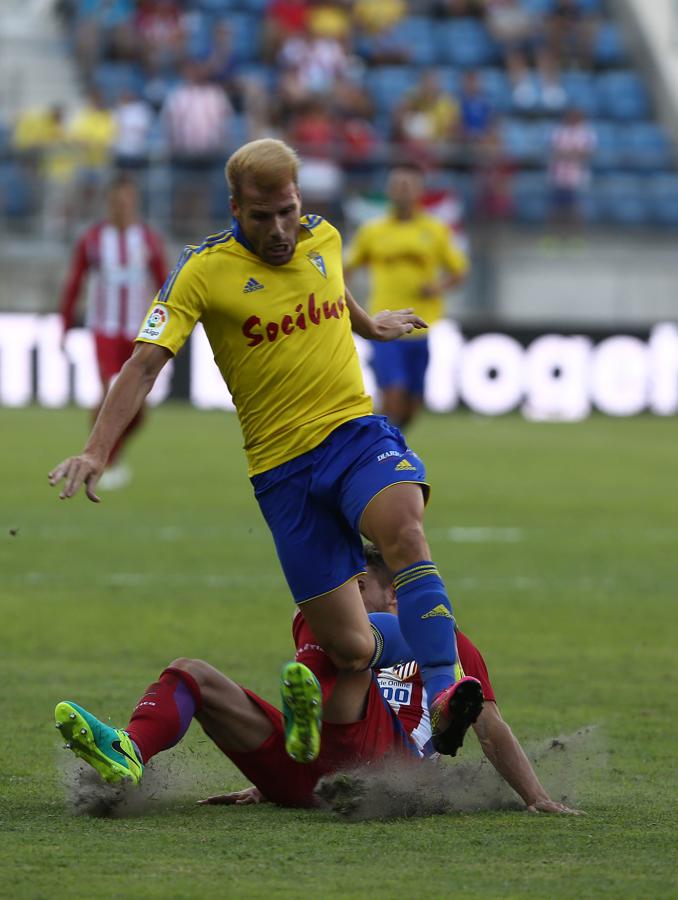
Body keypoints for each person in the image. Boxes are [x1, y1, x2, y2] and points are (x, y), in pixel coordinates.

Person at [49, 137, 482, 760]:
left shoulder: (323, 237)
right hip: (282, 473)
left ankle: (444, 695)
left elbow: (330, 284)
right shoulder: (203, 269)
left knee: (405, 532)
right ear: (235, 207)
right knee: (352, 649)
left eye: (287, 211)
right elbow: (144, 365)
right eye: (261, 217)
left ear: (298, 198)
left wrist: (368, 323)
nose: (279, 230)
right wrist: (96, 450)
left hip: (353, 435)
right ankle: (402, 667)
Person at [54, 545, 577, 814]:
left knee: (355, 653)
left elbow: (490, 726)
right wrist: (267, 781)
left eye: (358, 587)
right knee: (191, 674)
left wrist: (535, 797)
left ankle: (311, 722)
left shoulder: (451, 645)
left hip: (385, 768)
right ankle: (131, 750)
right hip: (314, 772)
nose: (346, 596)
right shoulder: (340, 629)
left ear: (394, 593)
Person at [58, 174, 168, 489]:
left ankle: (112, 454)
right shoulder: (92, 239)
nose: (122, 206)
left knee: (139, 409)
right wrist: (64, 327)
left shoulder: (148, 240)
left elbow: (166, 285)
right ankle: (102, 458)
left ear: (134, 202)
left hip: (139, 332)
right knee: (109, 394)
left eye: (127, 200)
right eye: (117, 201)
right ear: (109, 202)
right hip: (103, 329)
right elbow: (74, 284)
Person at [345, 163, 469, 430]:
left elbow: (459, 271)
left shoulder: (436, 230)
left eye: (408, 185)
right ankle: (383, 452)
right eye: (397, 184)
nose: (402, 190)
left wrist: (436, 288)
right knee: (393, 392)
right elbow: (346, 269)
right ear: (389, 190)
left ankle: (389, 443)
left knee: (412, 404)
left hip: (420, 327)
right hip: (384, 325)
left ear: (419, 190)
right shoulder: (373, 231)